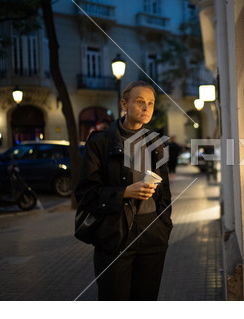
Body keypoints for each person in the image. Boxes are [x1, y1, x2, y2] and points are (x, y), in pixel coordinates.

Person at [75, 81, 173, 301]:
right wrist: (124, 192)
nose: (146, 108)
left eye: (150, 103)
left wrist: (164, 226)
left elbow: (165, 192)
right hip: (115, 236)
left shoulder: (156, 143)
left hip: (153, 235)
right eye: (140, 102)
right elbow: (85, 194)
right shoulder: (101, 142)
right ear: (124, 104)